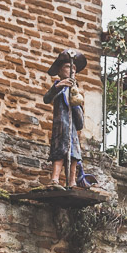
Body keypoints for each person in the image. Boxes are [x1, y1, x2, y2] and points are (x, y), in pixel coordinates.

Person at [43, 49, 86, 187]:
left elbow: (80, 121)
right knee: (59, 153)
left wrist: (76, 105)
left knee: (74, 156)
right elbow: (46, 98)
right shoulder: (59, 88)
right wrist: (57, 86)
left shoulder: (76, 92)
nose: (72, 71)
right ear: (60, 71)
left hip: (72, 128)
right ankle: (55, 179)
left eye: (74, 68)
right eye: (68, 67)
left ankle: (72, 181)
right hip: (61, 126)